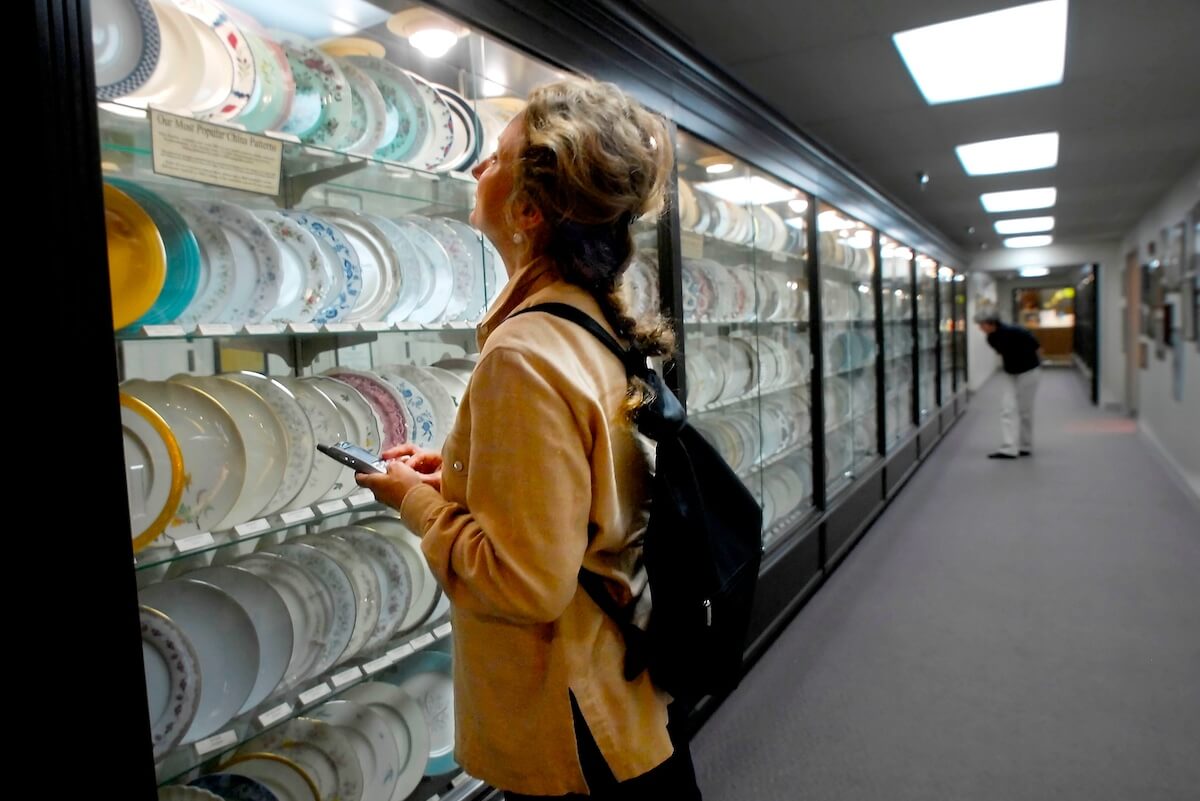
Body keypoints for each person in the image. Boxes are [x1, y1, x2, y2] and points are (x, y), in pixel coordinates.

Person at [356, 78, 702, 800]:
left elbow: (527, 582)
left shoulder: (523, 350)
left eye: (498, 158)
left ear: (526, 211)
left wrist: (417, 505)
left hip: (571, 721)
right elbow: (574, 502)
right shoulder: (586, 321)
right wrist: (459, 480)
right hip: (615, 694)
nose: (479, 167)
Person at [975, 310, 1042, 459]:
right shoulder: (990, 338)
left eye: (981, 325)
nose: (980, 328)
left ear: (991, 323)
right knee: (1007, 408)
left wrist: (1031, 364)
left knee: (1025, 411)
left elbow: (1037, 347)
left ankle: (1025, 446)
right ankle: (1009, 447)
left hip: (1029, 373)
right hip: (1010, 374)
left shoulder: (1017, 331)